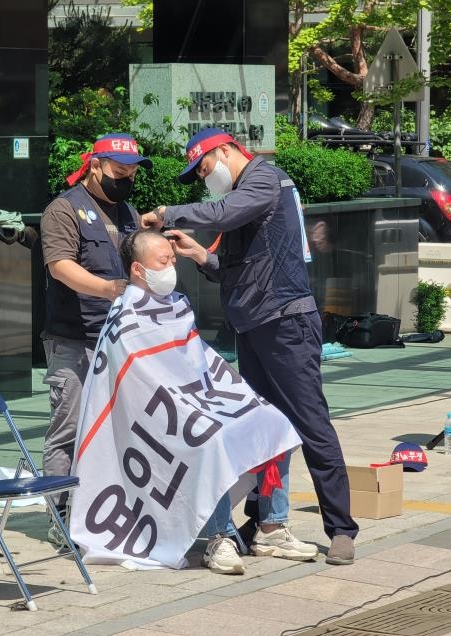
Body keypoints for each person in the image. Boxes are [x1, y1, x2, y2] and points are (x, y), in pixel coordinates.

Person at [140, 127, 359, 566]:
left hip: (285, 322)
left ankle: (340, 529)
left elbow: (223, 211)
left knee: (309, 422)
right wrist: (200, 256)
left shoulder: (264, 179)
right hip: (254, 324)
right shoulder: (245, 196)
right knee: (263, 428)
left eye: (204, 168)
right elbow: (236, 268)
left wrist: (169, 214)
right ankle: (265, 521)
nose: (205, 179)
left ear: (225, 152)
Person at [119, 229, 318, 575]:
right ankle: (219, 536)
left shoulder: (177, 303)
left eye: (172, 259)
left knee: (273, 422)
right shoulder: (124, 314)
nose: (171, 266)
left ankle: (272, 528)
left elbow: (198, 360)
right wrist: (192, 404)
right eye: (162, 261)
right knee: (212, 436)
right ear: (138, 269)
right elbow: (135, 382)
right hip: (157, 412)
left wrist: (220, 395)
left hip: (197, 396)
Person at [40, 132, 152, 547]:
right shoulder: (63, 209)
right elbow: (60, 266)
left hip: (118, 339)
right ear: (95, 166)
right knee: (67, 429)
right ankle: (60, 514)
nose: (126, 180)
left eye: (132, 173)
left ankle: (109, 511)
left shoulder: (127, 212)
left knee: (120, 427)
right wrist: (107, 289)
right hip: (74, 339)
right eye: (119, 172)